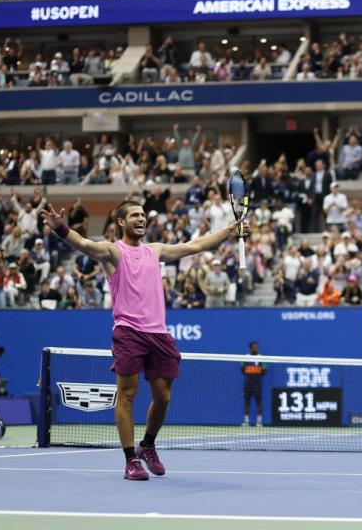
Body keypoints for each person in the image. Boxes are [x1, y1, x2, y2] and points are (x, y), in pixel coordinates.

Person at [41, 198, 246, 481]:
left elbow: (196, 246)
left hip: (159, 334)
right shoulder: (113, 251)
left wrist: (229, 231)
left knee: (163, 396)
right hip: (128, 331)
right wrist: (60, 228)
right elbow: (85, 245)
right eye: (134, 215)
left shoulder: (155, 250)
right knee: (127, 394)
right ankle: (130, 460)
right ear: (121, 222)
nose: (141, 219)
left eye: (143, 215)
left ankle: (147, 444)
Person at [241, 341, 265, 428]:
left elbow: (264, 370)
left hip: (257, 384)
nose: (256, 349)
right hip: (248, 383)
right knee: (247, 401)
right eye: (254, 347)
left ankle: (259, 421)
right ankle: (246, 421)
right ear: (250, 348)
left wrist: (257, 371)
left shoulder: (261, 358)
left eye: (257, 347)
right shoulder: (245, 357)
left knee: (259, 402)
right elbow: (242, 369)